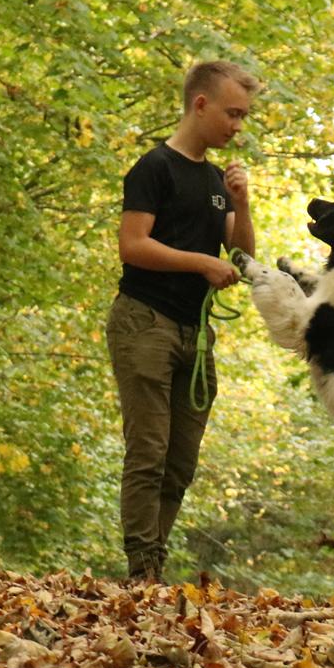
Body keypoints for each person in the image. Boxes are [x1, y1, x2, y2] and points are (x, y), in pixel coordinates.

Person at [105, 60, 260, 582]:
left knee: (179, 463)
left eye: (243, 116)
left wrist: (242, 202)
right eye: (232, 113)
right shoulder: (154, 168)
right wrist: (199, 262)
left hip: (195, 334)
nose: (238, 125)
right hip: (143, 321)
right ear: (201, 104)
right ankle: (143, 571)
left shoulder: (216, 179)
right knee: (147, 453)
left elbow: (240, 256)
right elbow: (133, 246)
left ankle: (151, 562)